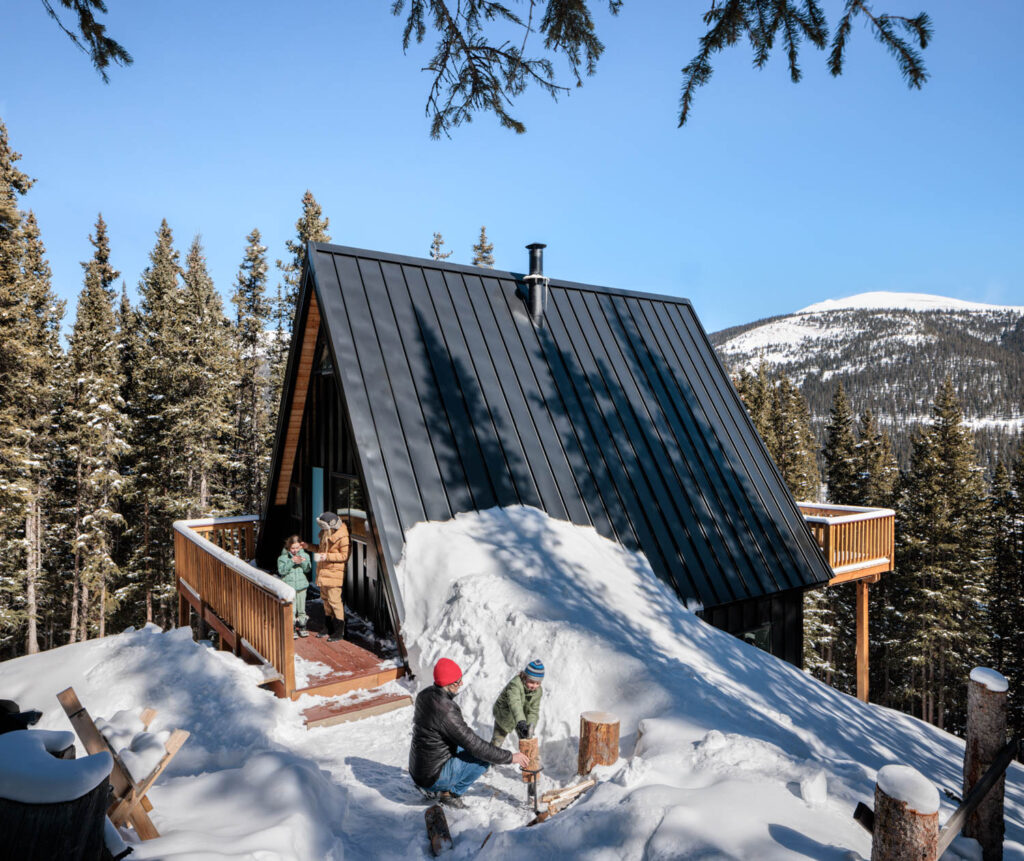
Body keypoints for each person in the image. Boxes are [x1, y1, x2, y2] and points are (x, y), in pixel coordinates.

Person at [409, 658, 529, 808]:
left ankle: (431, 787)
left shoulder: (424, 695)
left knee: (469, 749)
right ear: (448, 684)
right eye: (458, 682)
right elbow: (475, 746)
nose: (461, 684)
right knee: (483, 758)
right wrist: (511, 757)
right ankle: (451, 794)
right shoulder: (446, 710)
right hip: (431, 777)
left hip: (418, 770)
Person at [306, 511, 349, 642]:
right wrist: (308, 546)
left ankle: (339, 630)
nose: (322, 530)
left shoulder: (343, 537)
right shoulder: (326, 533)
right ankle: (328, 626)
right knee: (325, 599)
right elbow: (320, 549)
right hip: (324, 572)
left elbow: (344, 556)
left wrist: (327, 556)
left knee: (334, 601)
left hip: (334, 573)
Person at [491, 660, 544, 746]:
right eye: (531, 682)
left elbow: (533, 711)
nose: (534, 686)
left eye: (537, 683)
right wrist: (521, 722)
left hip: (521, 717)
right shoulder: (515, 684)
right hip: (505, 714)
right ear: (525, 676)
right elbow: (515, 704)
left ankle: (528, 758)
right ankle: (489, 757)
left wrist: (531, 725)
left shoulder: (538, 691)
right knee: (496, 743)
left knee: (527, 742)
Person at [276, 535, 311, 638]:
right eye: (292, 548)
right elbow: (282, 571)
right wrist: (291, 562)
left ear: (300, 547)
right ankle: (291, 628)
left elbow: (307, 570)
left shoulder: (305, 555)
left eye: (297, 548)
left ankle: (302, 626)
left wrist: (303, 562)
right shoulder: (283, 558)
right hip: (289, 586)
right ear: (288, 547)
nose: (295, 550)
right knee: (292, 608)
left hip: (301, 586)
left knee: (301, 608)